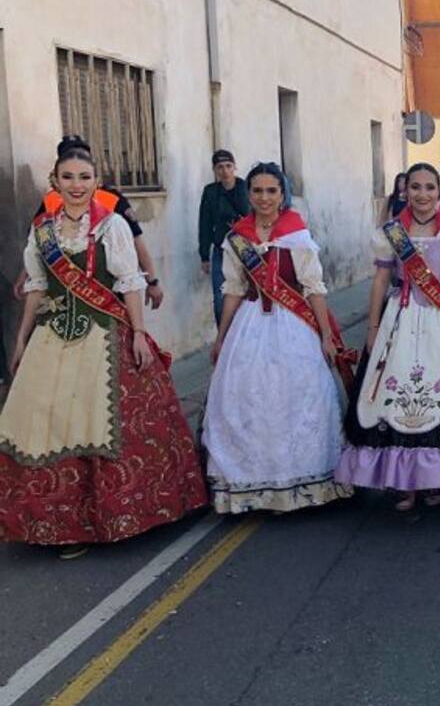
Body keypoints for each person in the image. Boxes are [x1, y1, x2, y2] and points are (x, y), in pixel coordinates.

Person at [0, 140, 206, 558]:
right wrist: (21, 338)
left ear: (97, 181)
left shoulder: (111, 225)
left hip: (104, 335)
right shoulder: (43, 230)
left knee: (103, 422)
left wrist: (138, 332)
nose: (76, 185)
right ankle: (58, 524)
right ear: (55, 181)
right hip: (52, 337)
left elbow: (129, 281)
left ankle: (117, 515)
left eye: (85, 177)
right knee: (45, 422)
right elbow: (37, 286)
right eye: (68, 177)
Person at [337, 164, 440, 511]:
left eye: (430, 187)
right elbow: (381, 282)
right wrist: (372, 328)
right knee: (394, 394)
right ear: (406, 191)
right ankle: (403, 482)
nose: (422, 194)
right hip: (398, 319)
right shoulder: (392, 232)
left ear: (439, 191)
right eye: (416, 187)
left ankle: (437, 477)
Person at [203, 162, 353, 513]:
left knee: (299, 397)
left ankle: (304, 479)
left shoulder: (296, 234)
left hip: (293, 327)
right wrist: (221, 338)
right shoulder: (237, 237)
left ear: (282, 194)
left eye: (271, 191)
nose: (264, 197)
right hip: (250, 324)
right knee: (246, 399)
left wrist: (326, 335)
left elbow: (313, 288)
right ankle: (253, 483)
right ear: (248, 194)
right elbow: (234, 289)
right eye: (257, 191)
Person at [22, 138, 166, 314]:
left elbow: (136, 241)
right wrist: (26, 275)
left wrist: (152, 281)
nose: (76, 182)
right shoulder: (50, 200)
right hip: (61, 299)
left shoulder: (111, 198)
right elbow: (39, 245)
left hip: (106, 296)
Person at [199, 148, 252, 325]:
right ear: (214, 170)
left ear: (235, 167)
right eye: (220, 167)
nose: (225, 171)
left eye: (228, 166)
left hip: (245, 246)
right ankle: (224, 336)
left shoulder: (245, 187)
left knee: (248, 294)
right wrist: (204, 255)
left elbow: (251, 215)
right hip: (222, 248)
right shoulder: (211, 192)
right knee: (220, 297)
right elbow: (205, 223)